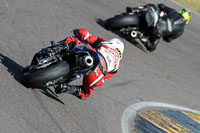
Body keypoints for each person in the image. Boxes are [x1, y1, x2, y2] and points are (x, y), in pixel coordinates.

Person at [54, 29, 124, 100]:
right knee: (85, 93)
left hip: (94, 55)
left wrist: (77, 31)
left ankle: (55, 49)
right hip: (99, 73)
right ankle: (67, 88)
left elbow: (86, 36)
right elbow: (104, 77)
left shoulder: (105, 43)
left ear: (111, 42)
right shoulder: (116, 67)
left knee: (73, 39)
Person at [126, 3, 191, 52]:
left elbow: (162, 6)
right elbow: (168, 39)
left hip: (155, 21)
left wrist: (161, 8)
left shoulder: (174, 12)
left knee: (153, 6)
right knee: (152, 48)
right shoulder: (181, 31)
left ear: (181, 12)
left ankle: (135, 9)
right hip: (157, 33)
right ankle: (141, 36)